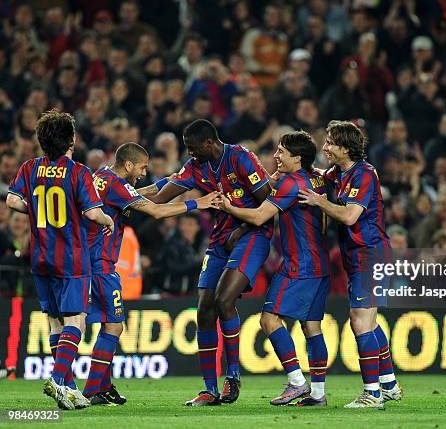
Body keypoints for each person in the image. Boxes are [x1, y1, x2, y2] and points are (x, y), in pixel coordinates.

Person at [137, 119, 272, 406]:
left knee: (225, 299)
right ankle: (209, 390)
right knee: (204, 309)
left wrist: (242, 229)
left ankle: (233, 374)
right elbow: (160, 198)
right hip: (221, 238)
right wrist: (126, 194)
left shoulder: (241, 159)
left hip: (253, 234)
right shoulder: (195, 167)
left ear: (209, 143)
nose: (190, 153)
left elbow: (268, 204)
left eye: (193, 148)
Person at [82, 142, 217, 405]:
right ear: (129, 165)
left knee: (104, 324)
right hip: (101, 264)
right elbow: (154, 210)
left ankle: (103, 385)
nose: (144, 172)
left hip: (88, 261)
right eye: (142, 167)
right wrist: (196, 204)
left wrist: (171, 180)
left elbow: (136, 194)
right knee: (113, 325)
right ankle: (90, 390)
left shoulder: (103, 177)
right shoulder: (116, 185)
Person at [6, 110, 114, 410]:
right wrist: (107, 219)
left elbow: (12, 200)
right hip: (72, 259)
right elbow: (93, 212)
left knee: (55, 322)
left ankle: (68, 388)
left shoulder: (30, 168)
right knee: (75, 321)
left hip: (40, 258)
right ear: (72, 140)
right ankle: (56, 378)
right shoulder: (78, 173)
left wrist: (37, 209)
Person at [215, 131, 330, 406]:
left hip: (299, 264)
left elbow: (258, 216)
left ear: (297, 158)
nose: (276, 156)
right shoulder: (316, 178)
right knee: (311, 327)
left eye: (281, 152)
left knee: (268, 320)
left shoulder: (291, 183)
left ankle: (296, 382)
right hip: (320, 263)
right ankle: (318, 394)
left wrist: (229, 206)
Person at [299, 121, 401, 408]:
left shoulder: (365, 175)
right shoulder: (339, 173)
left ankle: (373, 393)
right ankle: (389, 384)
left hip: (371, 255)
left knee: (360, 321)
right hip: (357, 256)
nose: (325, 147)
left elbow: (349, 216)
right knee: (369, 319)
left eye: (330, 143)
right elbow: (319, 174)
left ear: (346, 148)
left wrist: (319, 202)